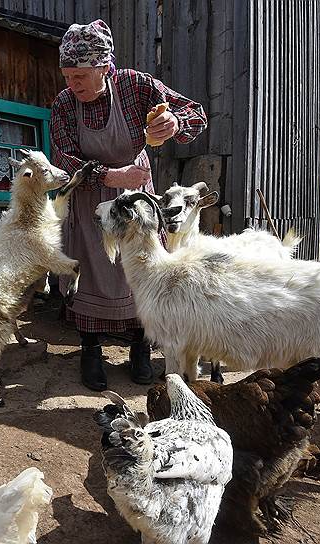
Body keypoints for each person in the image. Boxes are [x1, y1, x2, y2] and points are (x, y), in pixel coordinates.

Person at [50, 19, 207, 391]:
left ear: (105, 66)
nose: (72, 84)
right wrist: (109, 177)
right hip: (91, 201)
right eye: (67, 75)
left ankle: (140, 346)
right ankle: (90, 350)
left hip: (136, 200)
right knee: (91, 270)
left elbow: (195, 115)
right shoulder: (64, 104)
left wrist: (172, 123)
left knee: (139, 271)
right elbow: (65, 158)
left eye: (81, 76)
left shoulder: (137, 86)